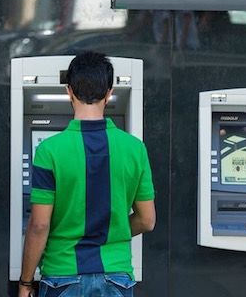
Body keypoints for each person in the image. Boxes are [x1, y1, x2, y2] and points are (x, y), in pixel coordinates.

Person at [18, 51, 156, 297]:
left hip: (63, 275)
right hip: (117, 276)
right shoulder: (135, 149)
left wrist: (26, 282)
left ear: (69, 91)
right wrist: (113, 231)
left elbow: (39, 224)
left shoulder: (49, 150)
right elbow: (147, 220)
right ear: (109, 93)